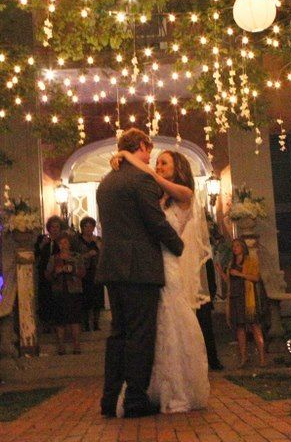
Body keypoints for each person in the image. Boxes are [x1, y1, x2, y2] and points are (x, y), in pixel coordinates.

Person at [112, 145, 210, 414]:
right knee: (153, 328)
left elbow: (154, 180)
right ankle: (151, 388)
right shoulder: (159, 200)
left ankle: (177, 389)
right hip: (151, 266)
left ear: (177, 169)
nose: (158, 168)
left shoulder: (185, 195)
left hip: (170, 267)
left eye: (164, 163)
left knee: (172, 324)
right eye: (157, 163)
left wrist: (128, 156)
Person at [96, 128, 184, 419]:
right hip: (139, 268)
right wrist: (178, 245)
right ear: (142, 146)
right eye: (149, 149)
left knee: (118, 334)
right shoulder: (141, 179)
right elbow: (154, 221)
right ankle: (135, 397)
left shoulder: (106, 183)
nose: (151, 156)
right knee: (140, 335)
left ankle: (109, 398)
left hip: (111, 267)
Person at [218, 238, 265, 367]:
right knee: (240, 328)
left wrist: (240, 274)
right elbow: (229, 280)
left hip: (247, 297)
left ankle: (262, 358)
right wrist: (221, 272)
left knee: (254, 325)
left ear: (243, 247)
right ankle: (243, 358)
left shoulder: (250, 261)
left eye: (237, 245)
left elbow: (256, 278)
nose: (235, 248)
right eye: (233, 246)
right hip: (235, 297)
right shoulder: (231, 262)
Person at [46, 230, 85, 355]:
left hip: (73, 291)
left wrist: (72, 270)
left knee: (75, 318)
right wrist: (56, 272)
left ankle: (76, 345)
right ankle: (61, 346)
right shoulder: (54, 258)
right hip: (59, 291)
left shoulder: (76, 257)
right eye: (61, 243)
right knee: (60, 319)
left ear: (69, 244)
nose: (63, 245)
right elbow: (47, 274)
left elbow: (83, 273)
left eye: (65, 242)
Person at [34, 215, 63, 331]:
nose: (55, 229)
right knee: (45, 298)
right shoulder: (42, 239)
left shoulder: (62, 240)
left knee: (57, 299)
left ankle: (57, 324)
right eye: (52, 227)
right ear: (48, 228)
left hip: (58, 274)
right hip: (43, 273)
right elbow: (35, 254)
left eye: (57, 227)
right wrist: (42, 245)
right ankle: (46, 325)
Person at [78, 216, 104, 332]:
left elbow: (104, 253)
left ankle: (96, 322)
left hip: (96, 271)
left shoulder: (97, 240)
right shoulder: (78, 241)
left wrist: (97, 244)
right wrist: (87, 255)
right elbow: (75, 256)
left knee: (97, 298)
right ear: (82, 228)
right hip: (84, 272)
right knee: (85, 298)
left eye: (91, 226)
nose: (89, 229)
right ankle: (86, 324)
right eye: (86, 227)